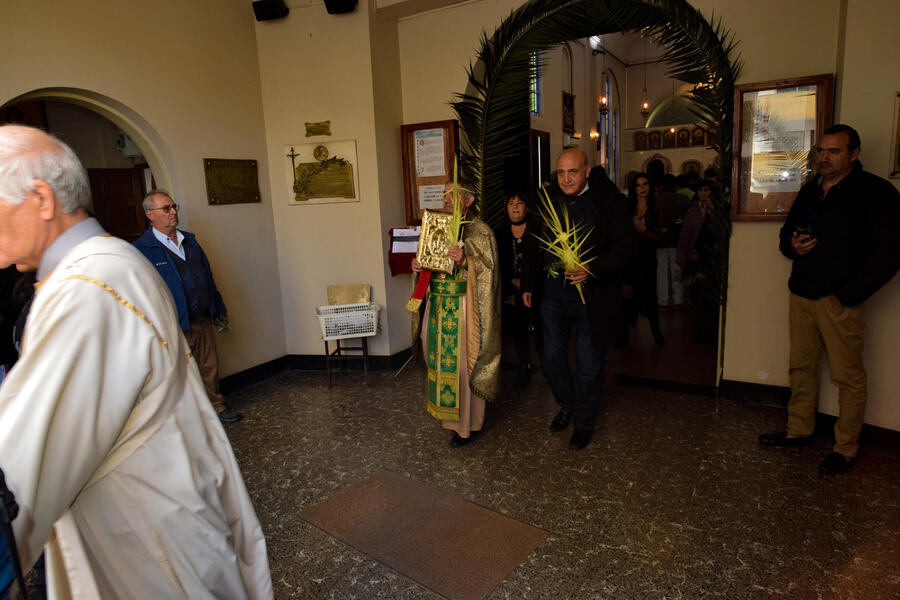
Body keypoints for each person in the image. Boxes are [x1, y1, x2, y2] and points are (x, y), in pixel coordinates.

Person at [0, 125, 273, 598]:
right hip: (162, 492)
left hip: (143, 526)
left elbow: (28, 452)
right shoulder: (111, 260)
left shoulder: (87, 285)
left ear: (42, 199)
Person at [759, 124, 900, 475]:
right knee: (801, 368)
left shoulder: (875, 193)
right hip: (802, 293)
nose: (824, 157)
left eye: (833, 151)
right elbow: (784, 235)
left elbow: (890, 254)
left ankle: (845, 448)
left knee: (847, 376)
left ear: (853, 154)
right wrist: (791, 245)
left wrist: (847, 295)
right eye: (821, 150)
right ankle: (798, 431)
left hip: (839, 301)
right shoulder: (810, 191)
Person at [522, 149, 637, 449]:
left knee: (588, 364)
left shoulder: (607, 203)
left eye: (572, 171)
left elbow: (627, 248)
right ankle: (570, 404)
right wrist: (528, 284)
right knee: (550, 360)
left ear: (586, 171)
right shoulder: (547, 201)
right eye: (561, 172)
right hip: (552, 297)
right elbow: (534, 246)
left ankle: (584, 421)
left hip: (591, 299)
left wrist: (592, 268)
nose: (566, 178)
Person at [134, 191, 242, 423]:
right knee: (178, 371)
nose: (173, 212)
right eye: (166, 208)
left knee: (209, 366)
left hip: (201, 317)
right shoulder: (143, 250)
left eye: (174, 207)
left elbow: (208, 277)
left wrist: (218, 308)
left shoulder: (190, 241)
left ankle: (216, 408)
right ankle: (186, 417)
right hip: (174, 324)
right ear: (150, 214)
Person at [411, 178, 501, 447]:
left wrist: (466, 261)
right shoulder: (436, 226)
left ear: (470, 200)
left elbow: (490, 274)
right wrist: (419, 265)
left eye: (454, 195)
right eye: (445, 196)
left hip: (465, 309)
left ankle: (468, 425)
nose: (447, 200)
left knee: (464, 365)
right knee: (437, 360)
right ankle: (450, 419)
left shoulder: (480, 231)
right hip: (439, 306)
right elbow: (430, 262)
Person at [496, 189, 541, 388]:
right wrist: (512, 282)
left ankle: (548, 366)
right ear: (506, 208)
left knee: (541, 329)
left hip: (536, 289)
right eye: (511, 203)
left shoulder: (537, 230)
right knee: (518, 329)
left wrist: (528, 283)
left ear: (526, 207)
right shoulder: (498, 233)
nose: (515, 207)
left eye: (519, 203)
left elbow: (542, 262)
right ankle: (523, 366)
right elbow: (494, 264)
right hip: (509, 291)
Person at [620, 173, 665, 346]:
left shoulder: (656, 207)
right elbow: (621, 233)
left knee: (649, 294)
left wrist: (644, 230)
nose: (642, 188)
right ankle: (622, 336)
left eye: (645, 184)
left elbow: (661, 234)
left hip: (647, 256)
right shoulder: (627, 208)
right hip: (629, 257)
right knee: (626, 295)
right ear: (634, 189)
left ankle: (656, 332)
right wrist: (633, 228)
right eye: (638, 185)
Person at [676, 179, 719, 343]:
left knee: (710, 297)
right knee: (696, 295)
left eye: (707, 190)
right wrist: (682, 257)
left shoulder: (717, 210)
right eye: (701, 190)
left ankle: (710, 329)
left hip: (712, 260)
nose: (704, 193)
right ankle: (700, 328)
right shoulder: (692, 211)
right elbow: (685, 234)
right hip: (694, 259)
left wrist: (713, 211)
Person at [654, 174, 692, 308]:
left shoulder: (656, 199)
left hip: (660, 240)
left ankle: (663, 300)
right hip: (678, 239)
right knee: (677, 270)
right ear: (675, 185)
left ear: (661, 186)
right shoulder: (684, 199)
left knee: (661, 272)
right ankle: (678, 298)